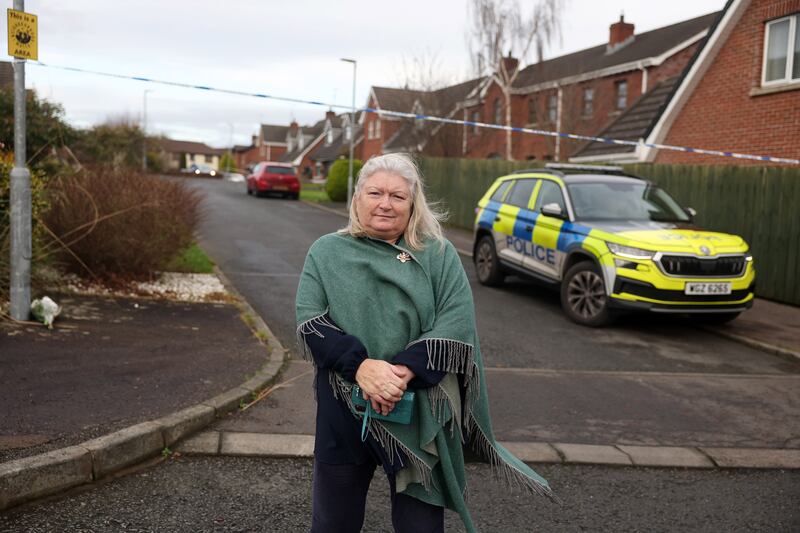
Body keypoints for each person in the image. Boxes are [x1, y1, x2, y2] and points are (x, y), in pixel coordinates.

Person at [296, 153, 553, 533]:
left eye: (398, 196)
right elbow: (310, 319)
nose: (385, 203)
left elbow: (457, 319)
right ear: (357, 199)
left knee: (421, 526)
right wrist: (363, 368)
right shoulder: (326, 252)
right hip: (343, 407)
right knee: (334, 521)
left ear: (413, 205)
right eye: (376, 193)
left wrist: (401, 373)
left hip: (418, 409)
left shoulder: (437, 254)